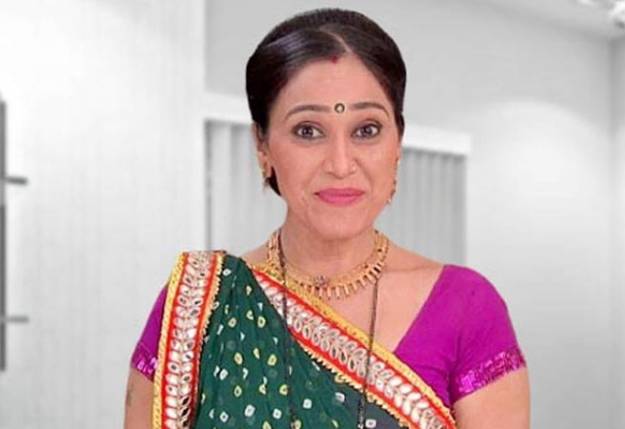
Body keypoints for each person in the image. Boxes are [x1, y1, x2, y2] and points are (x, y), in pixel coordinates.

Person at [124, 8, 529, 429]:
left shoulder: (467, 308)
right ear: (262, 146)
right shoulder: (200, 307)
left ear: (398, 143)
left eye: (366, 130)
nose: (340, 164)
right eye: (308, 131)